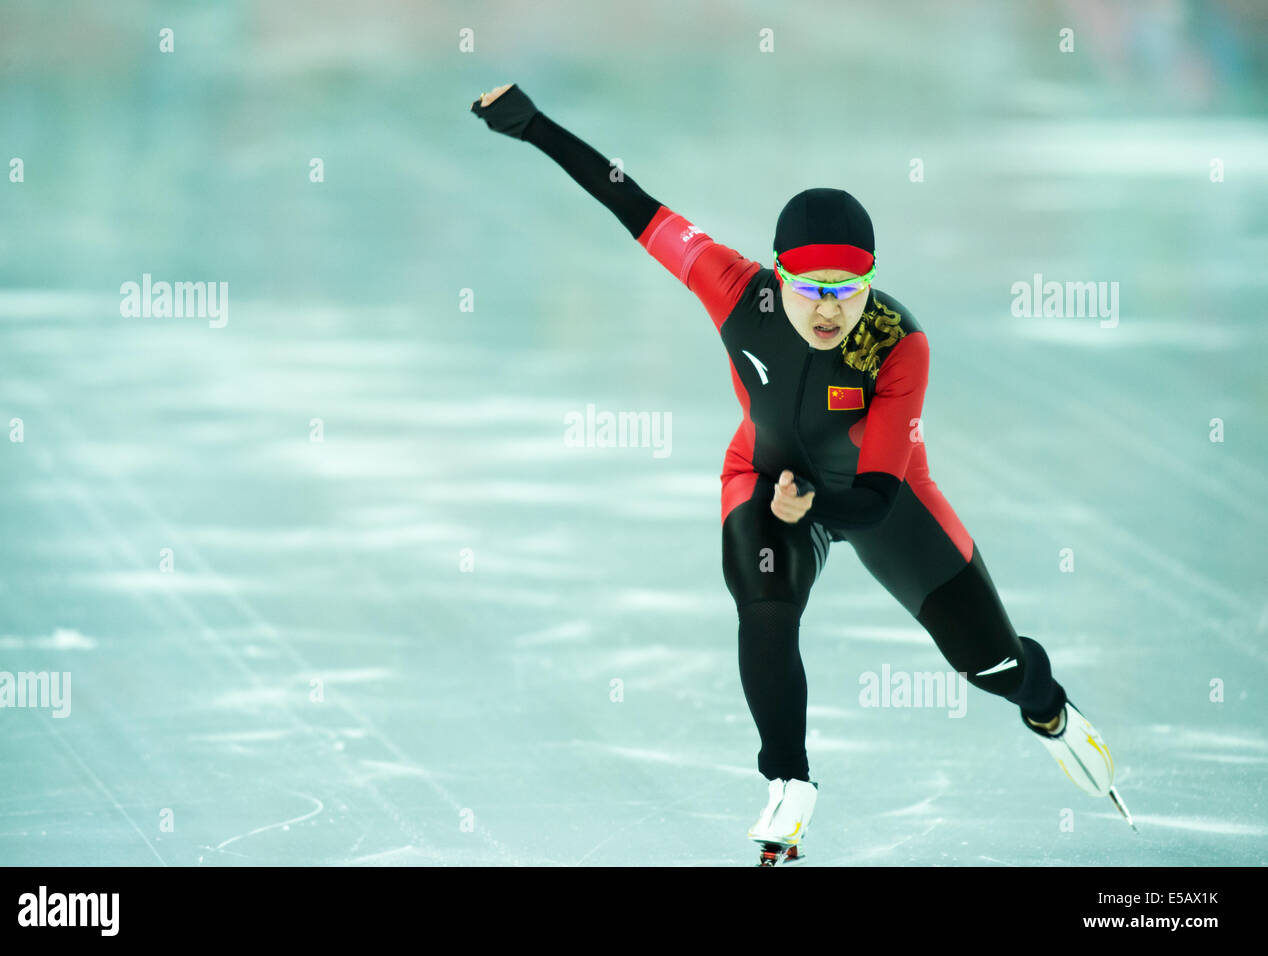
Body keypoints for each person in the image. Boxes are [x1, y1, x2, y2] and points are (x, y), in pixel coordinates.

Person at [470, 83, 1133, 864]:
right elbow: (633, 205)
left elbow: (879, 494)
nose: (830, 310)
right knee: (765, 604)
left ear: (872, 283)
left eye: (849, 291)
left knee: (988, 667)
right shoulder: (728, 284)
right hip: (764, 474)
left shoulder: (896, 344)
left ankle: (1044, 704)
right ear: (778, 275)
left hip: (881, 502)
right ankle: (789, 782)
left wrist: (813, 501)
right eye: (812, 289)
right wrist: (535, 126)